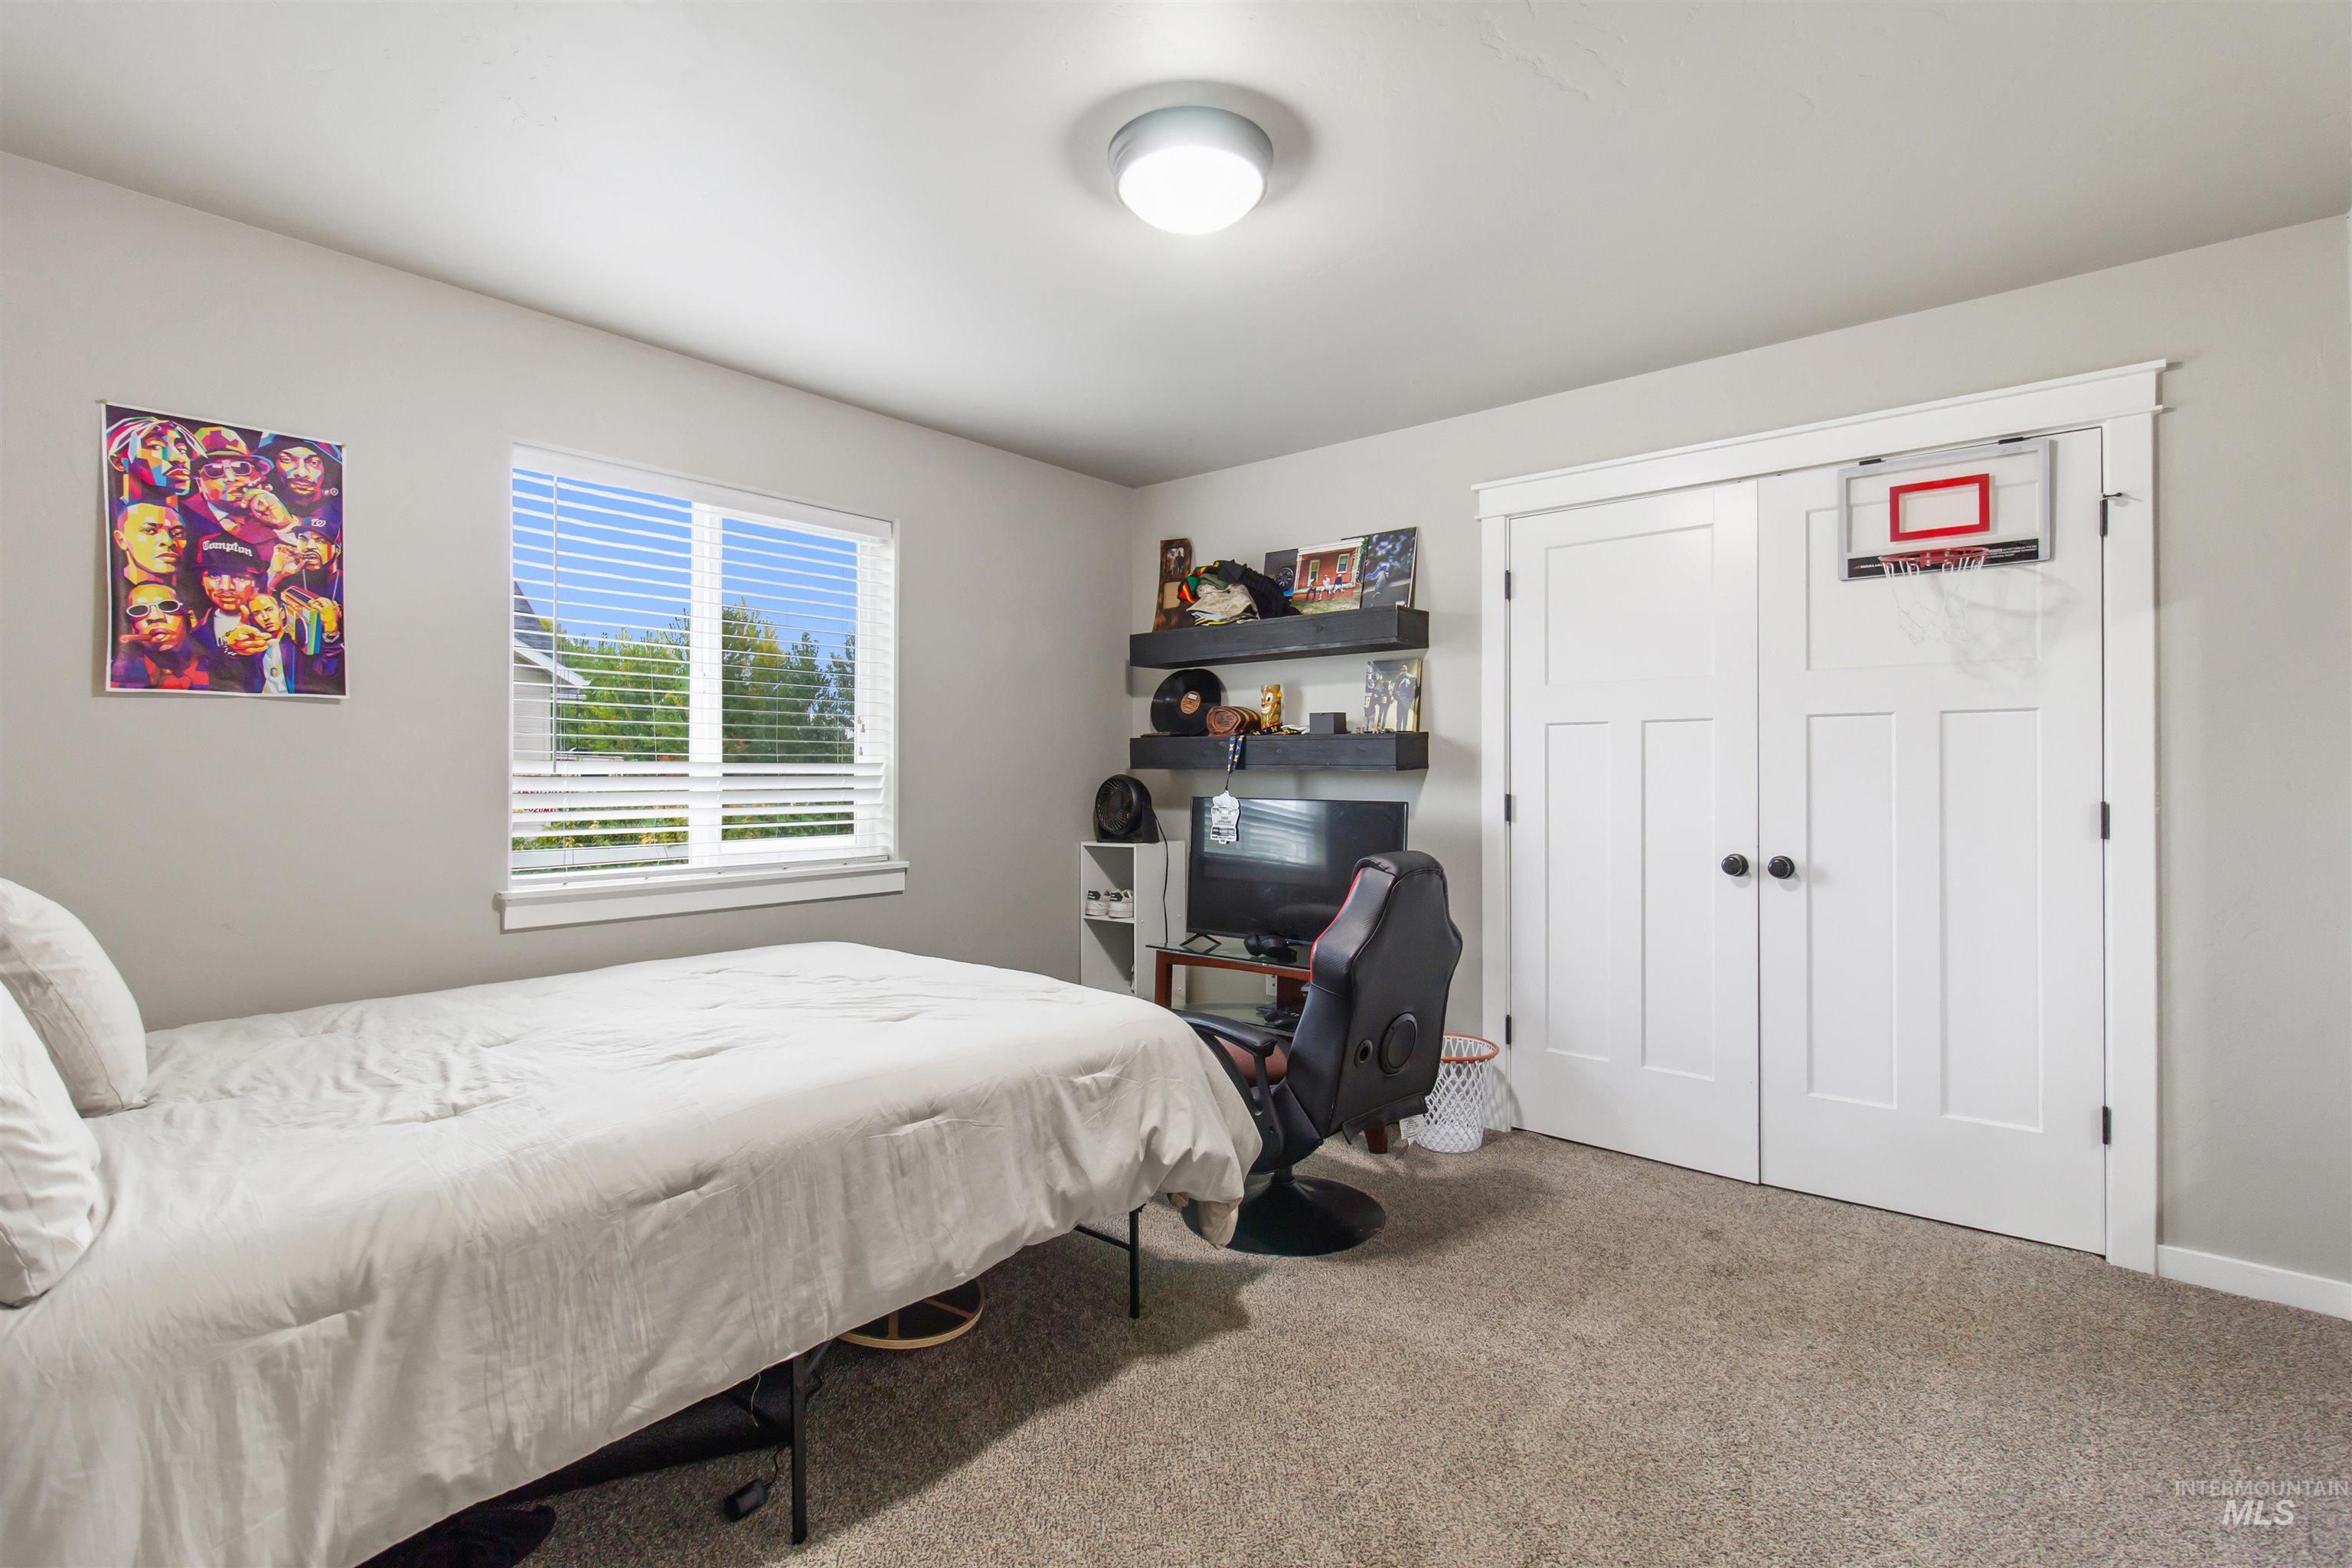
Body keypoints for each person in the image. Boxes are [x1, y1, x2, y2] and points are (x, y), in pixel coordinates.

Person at [191, 534, 289, 694]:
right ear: (202, 580)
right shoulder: (196, 634)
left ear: (255, 582)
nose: (225, 587)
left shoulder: (276, 625)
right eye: (214, 575)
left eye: (238, 577)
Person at [109, 582, 209, 691]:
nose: (155, 617)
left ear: (191, 619)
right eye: (139, 611)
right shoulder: (119, 679)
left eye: (168, 606)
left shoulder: (218, 672)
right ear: (133, 628)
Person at [104, 414, 196, 505]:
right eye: (155, 446)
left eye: (182, 449)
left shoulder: (195, 518)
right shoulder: (113, 513)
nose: (179, 458)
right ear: (119, 462)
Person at [258, 434, 341, 524]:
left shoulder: (340, 511)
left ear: (326, 468)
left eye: (314, 462)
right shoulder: (263, 504)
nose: (302, 473)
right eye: (287, 460)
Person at [112, 502, 188, 590]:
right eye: (149, 530)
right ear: (122, 540)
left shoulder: (193, 592)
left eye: (178, 533)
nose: (168, 541)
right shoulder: (113, 589)